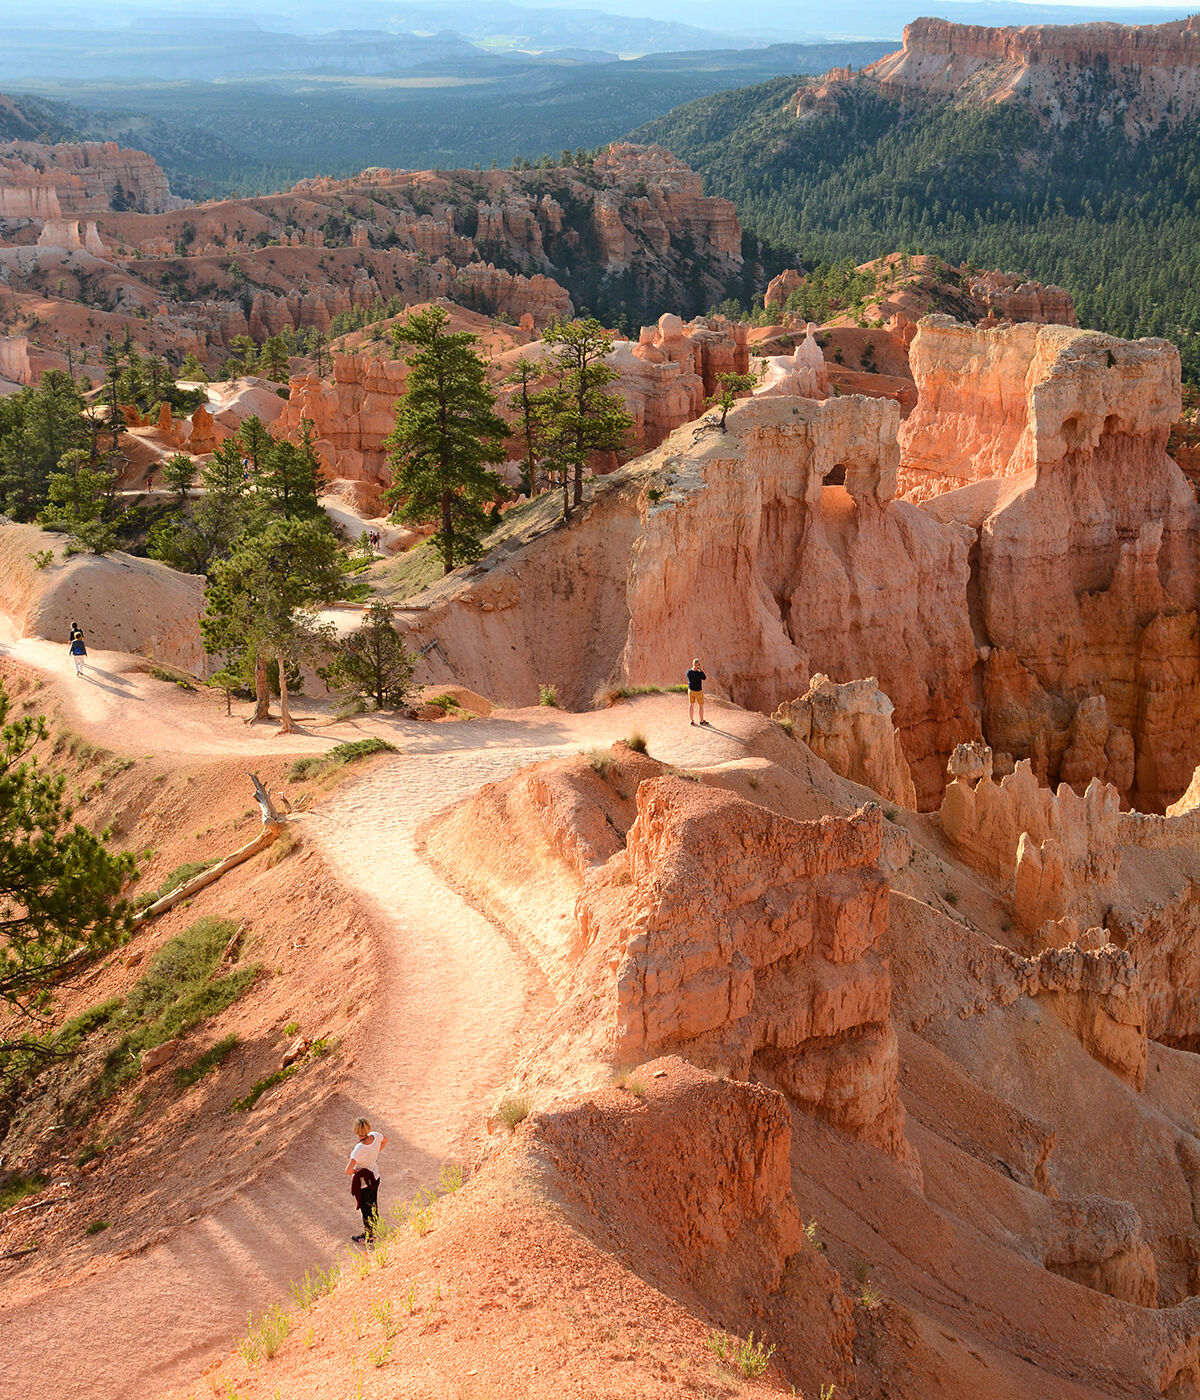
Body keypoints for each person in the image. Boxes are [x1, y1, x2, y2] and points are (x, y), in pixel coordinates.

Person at [344, 1116, 387, 1243]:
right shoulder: (376, 1136)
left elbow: (348, 1170)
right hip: (375, 1177)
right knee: (373, 1204)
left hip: (364, 1184)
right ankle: (374, 1230)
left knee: (365, 1209)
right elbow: (385, 1141)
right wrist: (373, 1156)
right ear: (368, 1127)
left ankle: (369, 1236)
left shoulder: (359, 1149)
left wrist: (357, 1171)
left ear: (356, 1131)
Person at [686, 657, 708, 726]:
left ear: (693, 664)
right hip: (698, 691)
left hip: (691, 691)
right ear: (698, 665)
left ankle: (691, 720)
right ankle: (701, 721)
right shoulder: (699, 673)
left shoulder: (688, 672)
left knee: (691, 705)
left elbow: (688, 676)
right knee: (701, 706)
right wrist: (700, 670)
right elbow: (704, 677)